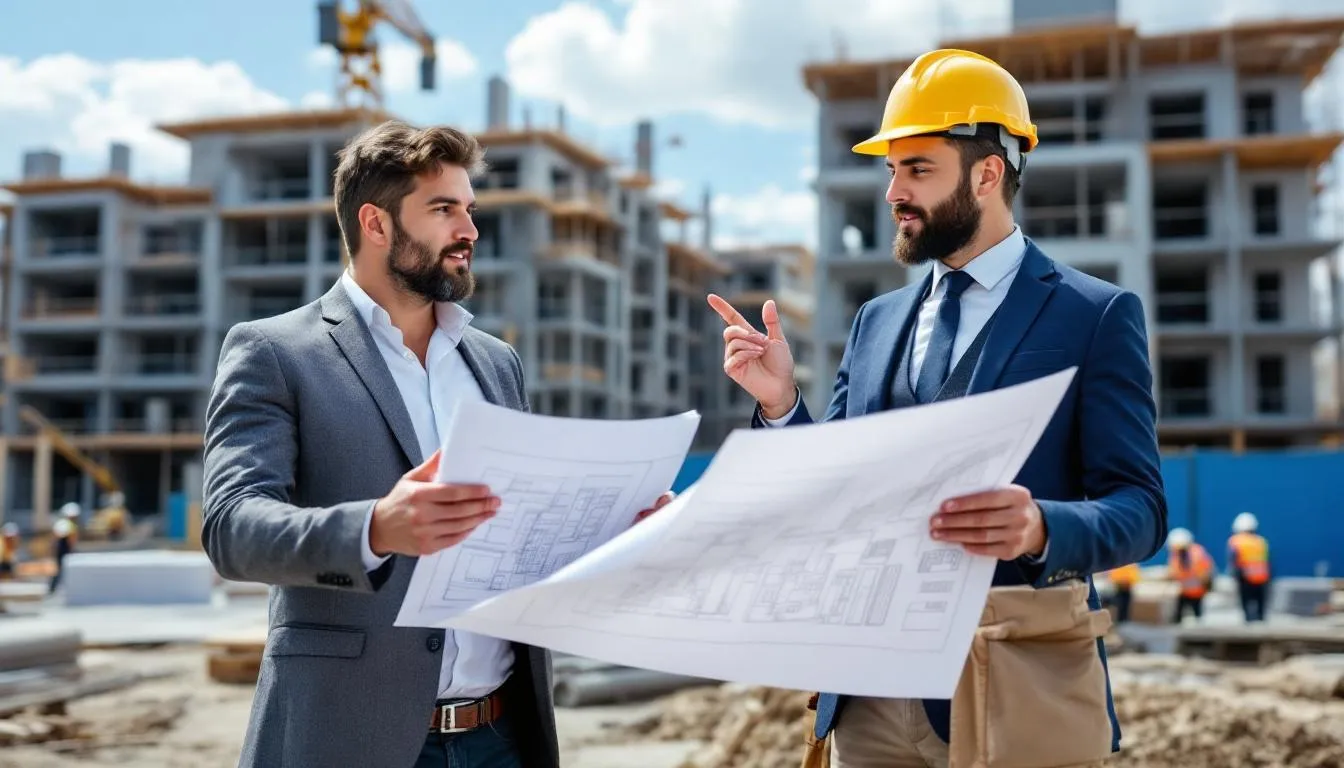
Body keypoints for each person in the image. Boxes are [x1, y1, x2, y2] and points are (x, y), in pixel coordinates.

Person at [709, 48, 1167, 767]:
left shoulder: (1094, 315)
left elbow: (1141, 510)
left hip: (1016, 679)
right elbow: (837, 487)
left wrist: (1042, 525)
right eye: (891, 168)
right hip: (868, 694)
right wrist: (781, 404)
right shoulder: (876, 322)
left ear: (988, 174)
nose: (894, 190)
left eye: (917, 169)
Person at [201, 120, 673, 768]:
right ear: (376, 224)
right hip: (354, 738)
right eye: (444, 209)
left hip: (503, 736)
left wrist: (618, 524)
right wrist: (374, 529)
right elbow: (233, 527)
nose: (470, 231)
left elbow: (518, 531)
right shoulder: (275, 352)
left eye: (470, 210)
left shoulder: (495, 363)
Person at [1227, 513, 1270, 622]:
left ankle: (1248, 622)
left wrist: (1233, 575)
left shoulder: (1235, 541)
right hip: (1261, 577)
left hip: (1244, 577)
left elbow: (1233, 560)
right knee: (1260, 605)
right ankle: (1260, 621)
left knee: (1246, 604)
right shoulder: (1261, 541)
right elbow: (1267, 561)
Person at [49, 503, 80, 594]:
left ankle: (54, 588)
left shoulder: (64, 524)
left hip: (62, 550)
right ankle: (53, 588)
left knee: (61, 570)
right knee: (60, 570)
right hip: (64, 551)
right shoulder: (66, 524)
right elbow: (69, 539)